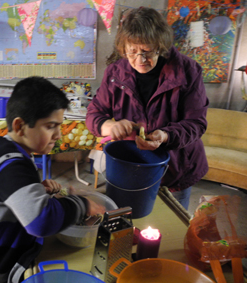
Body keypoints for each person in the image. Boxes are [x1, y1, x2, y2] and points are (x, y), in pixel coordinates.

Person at [0, 76, 105, 283]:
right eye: (51, 126)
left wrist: (35, 190)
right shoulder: (13, 167)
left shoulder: (2, 149)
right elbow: (41, 223)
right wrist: (82, 204)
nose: (58, 135)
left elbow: (2, 191)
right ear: (20, 126)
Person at [86, 7, 209, 210]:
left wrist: (165, 136)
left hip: (175, 168)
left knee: (170, 226)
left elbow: (195, 123)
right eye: (132, 52)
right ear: (123, 48)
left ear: (160, 45)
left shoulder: (188, 71)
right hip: (128, 166)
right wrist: (108, 126)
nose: (140, 60)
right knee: (126, 224)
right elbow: (94, 114)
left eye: (147, 51)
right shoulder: (115, 73)